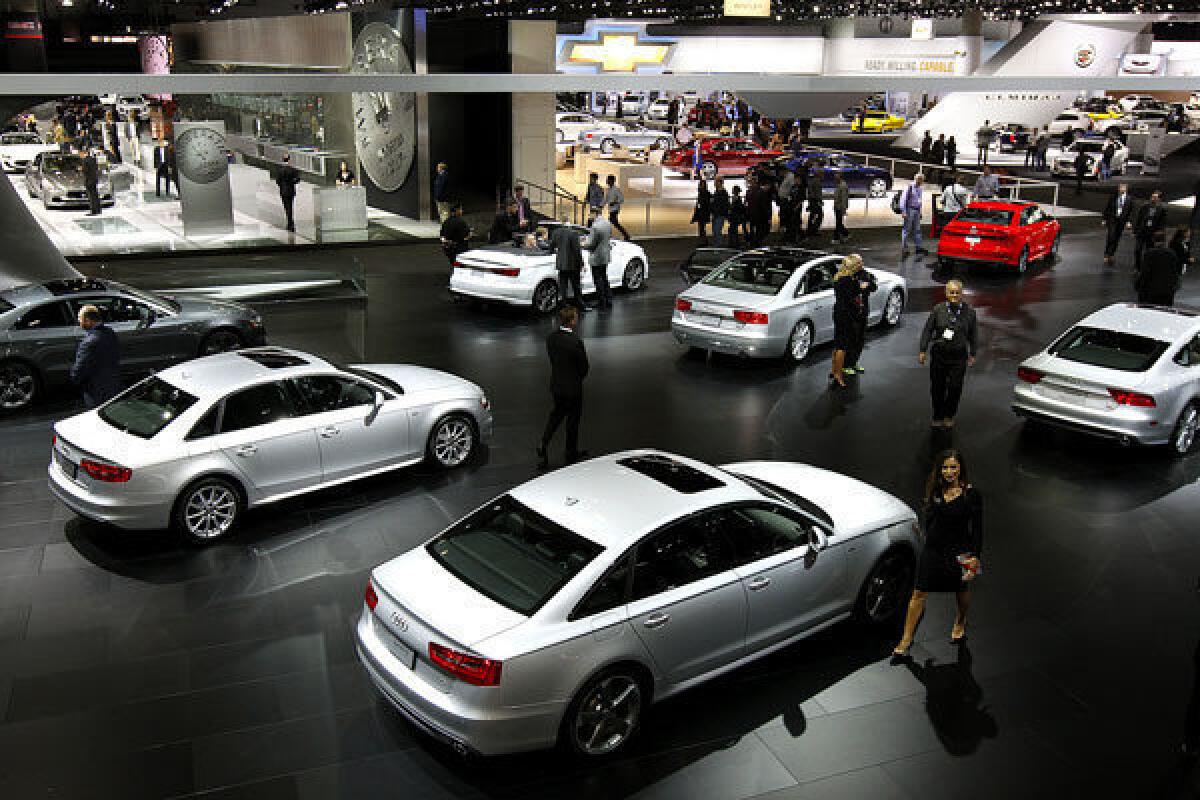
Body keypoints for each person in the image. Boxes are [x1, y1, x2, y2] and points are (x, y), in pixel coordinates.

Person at [892, 450, 984, 657]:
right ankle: (906, 638)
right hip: (933, 550)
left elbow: (977, 530)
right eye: (945, 467)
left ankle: (960, 620)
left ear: (961, 468)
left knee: (961, 589)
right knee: (918, 592)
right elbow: (932, 520)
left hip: (959, 551)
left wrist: (974, 560)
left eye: (953, 467)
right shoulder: (935, 490)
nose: (949, 472)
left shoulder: (972, 495)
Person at [918, 280, 979, 428]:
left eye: (957, 292)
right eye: (951, 292)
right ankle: (938, 415)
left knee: (955, 386)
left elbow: (973, 334)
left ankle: (949, 414)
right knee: (937, 387)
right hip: (939, 355)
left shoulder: (970, 312)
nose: (954, 295)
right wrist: (923, 350)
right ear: (946, 293)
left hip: (958, 357)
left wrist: (973, 353)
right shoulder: (938, 309)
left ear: (961, 294)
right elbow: (927, 330)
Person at [537, 305, 589, 469]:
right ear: (572, 321)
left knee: (556, 415)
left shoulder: (551, 338)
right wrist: (577, 377)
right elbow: (584, 367)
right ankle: (570, 452)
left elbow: (554, 361)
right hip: (573, 388)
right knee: (573, 421)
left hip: (557, 385)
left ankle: (543, 443)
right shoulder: (575, 342)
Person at [829, 254, 867, 389]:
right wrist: (860, 288)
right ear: (855, 266)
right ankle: (838, 375)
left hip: (838, 312)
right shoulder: (848, 281)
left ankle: (834, 371)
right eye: (860, 263)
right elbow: (852, 298)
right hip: (846, 314)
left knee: (838, 342)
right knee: (842, 346)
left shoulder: (838, 277)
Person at [70, 304, 120, 409]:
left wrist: (74, 379)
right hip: (113, 385)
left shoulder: (88, 343)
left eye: (80, 319)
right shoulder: (110, 333)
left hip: (95, 392)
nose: (79, 322)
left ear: (87, 320)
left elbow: (80, 370)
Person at [545, 216, 587, 310]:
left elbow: (551, 247)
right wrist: (581, 263)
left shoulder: (556, 232)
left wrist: (551, 252)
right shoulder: (573, 233)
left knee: (563, 286)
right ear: (569, 222)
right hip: (573, 265)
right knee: (576, 286)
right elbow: (577, 250)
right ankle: (580, 304)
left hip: (561, 264)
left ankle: (563, 305)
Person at [844, 263, 877, 374]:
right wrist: (858, 286)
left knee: (860, 338)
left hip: (863, 312)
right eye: (858, 263)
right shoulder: (847, 276)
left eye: (861, 263)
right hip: (851, 313)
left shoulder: (865, 274)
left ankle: (854, 362)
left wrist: (867, 284)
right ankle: (846, 364)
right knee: (851, 339)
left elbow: (874, 287)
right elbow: (846, 293)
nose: (860, 265)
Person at [1136, 231, 1183, 306]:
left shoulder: (1149, 254)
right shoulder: (1172, 254)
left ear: (1153, 240)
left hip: (1151, 291)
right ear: (1164, 240)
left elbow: (1145, 273)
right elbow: (1175, 272)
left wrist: (1139, 286)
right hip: (1167, 291)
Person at [582, 212, 613, 310]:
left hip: (597, 256)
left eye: (590, 214)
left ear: (594, 214)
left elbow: (591, 244)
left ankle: (601, 302)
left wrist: (582, 244)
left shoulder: (595, 226)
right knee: (604, 278)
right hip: (605, 255)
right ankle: (609, 300)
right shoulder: (607, 223)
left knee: (598, 280)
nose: (589, 217)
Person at [1134, 190, 1168, 271]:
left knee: (1149, 251)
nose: (1153, 199)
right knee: (1137, 250)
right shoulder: (1144, 207)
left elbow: (1163, 222)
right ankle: (1137, 266)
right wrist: (1135, 231)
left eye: (1155, 197)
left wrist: (1160, 232)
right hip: (1142, 231)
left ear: (1159, 199)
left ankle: (1146, 266)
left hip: (1152, 233)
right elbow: (1139, 219)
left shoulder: (1162, 209)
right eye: (1152, 197)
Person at [1102, 183, 1134, 265]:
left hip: (1121, 220)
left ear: (1126, 189)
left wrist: (1128, 222)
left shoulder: (1129, 199)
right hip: (1112, 219)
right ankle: (1106, 254)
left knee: (1117, 237)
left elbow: (1130, 212)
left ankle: (1112, 254)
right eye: (1120, 188)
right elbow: (1107, 208)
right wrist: (1104, 219)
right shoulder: (1113, 197)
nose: (1122, 189)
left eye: (1123, 188)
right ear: (1118, 189)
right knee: (1111, 236)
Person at [900, 174, 926, 256]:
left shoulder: (920, 189)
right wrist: (903, 211)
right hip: (909, 210)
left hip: (916, 211)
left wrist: (920, 211)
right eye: (920, 180)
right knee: (907, 229)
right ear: (916, 179)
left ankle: (918, 247)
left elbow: (919, 200)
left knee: (917, 229)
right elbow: (903, 199)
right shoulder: (910, 187)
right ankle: (905, 248)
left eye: (922, 180)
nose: (921, 182)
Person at [275, 154, 301, 232]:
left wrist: (282, 186)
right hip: (291, 191)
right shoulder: (293, 169)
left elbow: (277, 181)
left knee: (286, 206)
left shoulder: (280, 170)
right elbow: (297, 179)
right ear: (289, 160)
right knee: (290, 205)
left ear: (283, 160)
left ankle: (289, 221)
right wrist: (292, 183)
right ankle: (290, 221)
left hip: (283, 191)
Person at [602, 176, 629, 241]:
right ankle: (625, 234)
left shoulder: (616, 189)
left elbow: (621, 199)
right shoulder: (608, 189)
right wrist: (601, 205)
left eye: (608, 180)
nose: (607, 181)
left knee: (612, 221)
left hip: (615, 209)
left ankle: (625, 235)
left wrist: (614, 202)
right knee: (613, 222)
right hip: (611, 209)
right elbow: (606, 199)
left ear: (612, 181)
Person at [82, 147, 101, 216]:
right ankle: (98, 209)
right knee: (95, 195)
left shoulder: (85, 160)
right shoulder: (93, 160)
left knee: (91, 196)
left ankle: (93, 210)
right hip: (94, 179)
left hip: (89, 180)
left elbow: (85, 171)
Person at [710, 177, 729, 247]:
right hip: (716, 214)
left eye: (716, 182)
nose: (714, 183)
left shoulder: (723, 193)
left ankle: (718, 245)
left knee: (717, 231)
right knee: (715, 231)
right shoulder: (717, 192)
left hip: (719, 215)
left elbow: (724, 205)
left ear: (720, 183)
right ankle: (717, 245)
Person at [691, 180, 711, 245]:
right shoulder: (703, 193)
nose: (700, 186)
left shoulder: (704, 193)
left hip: (703, 214)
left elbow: (702, 205)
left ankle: (704, 242)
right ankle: (703, 241)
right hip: (702, 214)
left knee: (702, 228)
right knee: (701, 228)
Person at [832, 173, 850, 244]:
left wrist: (844, 208)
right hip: (837, 207)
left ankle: (836, 238)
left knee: (838, 223)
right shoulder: (839, 185)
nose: (835, 179)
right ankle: (845, 234)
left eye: (836, 177)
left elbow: (844, 198)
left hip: (840, 207)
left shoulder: (843, 186)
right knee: (839, 222)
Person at [806, 172, 824, 238]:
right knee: (820, 215)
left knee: (812, 215)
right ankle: (814, 230)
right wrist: (820, 201)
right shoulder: (817, 182)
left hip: (812, 201)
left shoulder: (811, 181)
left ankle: (810, 230)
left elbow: (810, 192)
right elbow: (818, 193)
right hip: (815, 201)